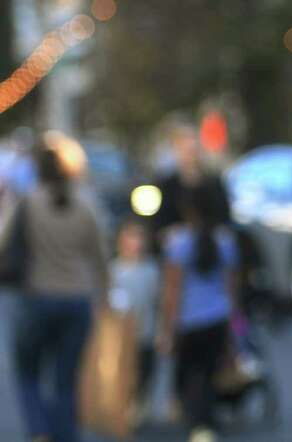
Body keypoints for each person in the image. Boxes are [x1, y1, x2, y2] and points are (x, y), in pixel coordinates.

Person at [1, 132, 109, 442]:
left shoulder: (28, 203)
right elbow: (100, 255)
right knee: (66, 380)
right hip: (76, 299)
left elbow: (4, 244)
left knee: (28, 374)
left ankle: (39, 430)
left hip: (36, 298)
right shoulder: (85, 204)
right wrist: (103, 294)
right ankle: (65, 434)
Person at [157, 184, 239, 442]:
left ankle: (197, 422)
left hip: (189, 320)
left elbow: (172, 290)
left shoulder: (178, 242)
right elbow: (231, 288)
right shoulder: (225, 241)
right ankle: (205, 420)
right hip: (217, 317)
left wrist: (167, 328)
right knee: (208, 371)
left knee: (189, 371)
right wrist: (235, 326)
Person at [110, 219, 161, 424]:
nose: (136, 242)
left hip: (146, 333)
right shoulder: (112, 270)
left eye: (140, 237)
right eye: (131, 236)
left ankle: (139, 410)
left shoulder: (152, 271)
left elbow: (159, 302)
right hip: (120, 337)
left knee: (144, 374)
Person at [152, 123, 231, 245]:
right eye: (186, 151)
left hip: (211, 233)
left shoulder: (213, 181)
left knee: (225, 242)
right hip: (179, 234)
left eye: (194, 151)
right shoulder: (166, 184)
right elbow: (160, 219)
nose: (191, 156)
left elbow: (223, 214)